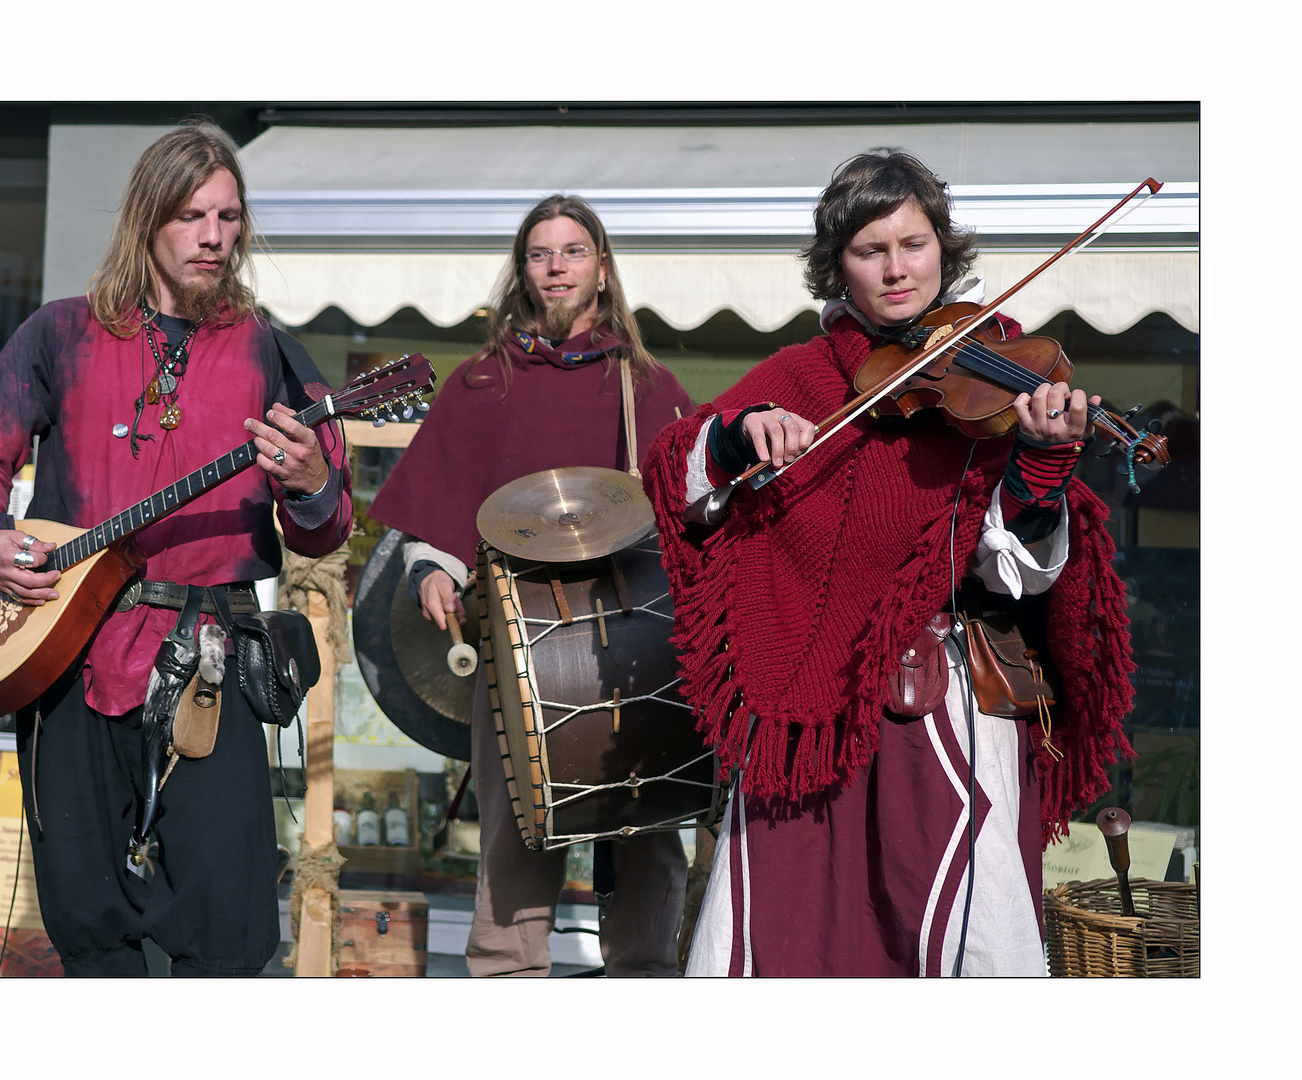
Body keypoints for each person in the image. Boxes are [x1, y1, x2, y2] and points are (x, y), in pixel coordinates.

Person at [641, 152, 1136, 977]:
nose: (897, 269)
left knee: (959, 934)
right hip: (806, 712)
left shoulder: (998, 373)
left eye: (914, 244)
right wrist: (737, 435)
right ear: (838, 263)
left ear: (945, 249)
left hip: (946, 709)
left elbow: (1021, 575)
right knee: (789, 935)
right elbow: (677, 474)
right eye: (871, 251)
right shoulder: (800, 375)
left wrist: (1041, 468)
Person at [0, 122, 353, 976]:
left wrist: (312, 477)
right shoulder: (60, 334)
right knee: (88, 917)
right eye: (191, 215)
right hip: (70, 649)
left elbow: (326, 523)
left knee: (227, 925)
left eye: (229, 216)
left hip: (213, 658)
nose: (214, 237)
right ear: (147, 219)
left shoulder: (269, 352)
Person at [366, 194, 693, 976]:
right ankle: (507, 979)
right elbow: (444, 503)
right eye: (541, 253)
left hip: (632, 639)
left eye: (573, 251)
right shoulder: (484, 382)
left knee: (648, 820)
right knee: (515, 825)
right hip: (515, 638)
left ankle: (645, 976)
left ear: (602, 268)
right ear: (522, 270)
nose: (557, 267)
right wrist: (432, 568)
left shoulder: (646, 384)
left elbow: (692, 507)